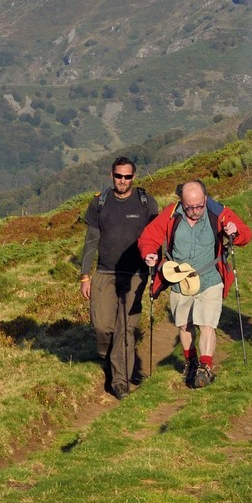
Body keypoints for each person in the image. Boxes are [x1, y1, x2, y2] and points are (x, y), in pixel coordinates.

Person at [138, 180, 252, 388]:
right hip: (179, 278)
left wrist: (234, 232)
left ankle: (205, 367)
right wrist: (149, 254)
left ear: (205, 199)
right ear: (182, 202)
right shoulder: (171, 214)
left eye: (199, 206)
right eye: (190, 207)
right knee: (184, 324)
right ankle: (190, 362)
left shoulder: (218, 212)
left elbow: (245, 235)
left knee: (207, 323)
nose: (195, 211)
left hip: (210, 277)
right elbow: (149, 237)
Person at [78, 157, 159, 399]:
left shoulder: (147, 203)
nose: (122, 181)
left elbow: (156, 238)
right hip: (104, 272)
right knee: (102, 326)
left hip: (135, 274)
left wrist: (159, 271)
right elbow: (91, 240)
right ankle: (106, 354)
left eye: (127, 176)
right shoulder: (99, 203)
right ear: (111, 175)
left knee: (126, 329)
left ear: (134, 177)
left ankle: (120, 383)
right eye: (118, 176)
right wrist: (85, 276)